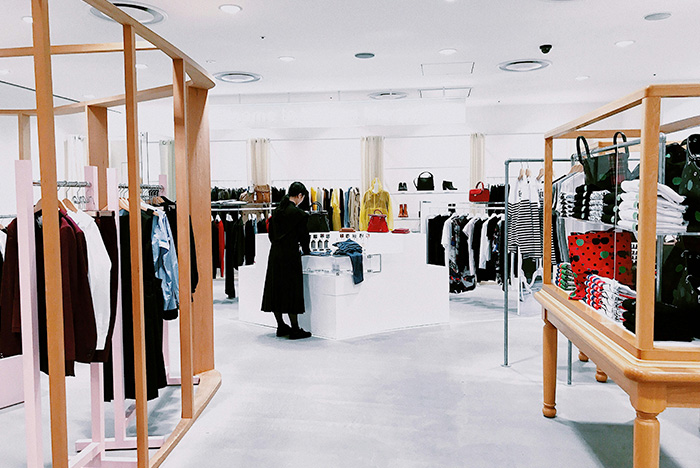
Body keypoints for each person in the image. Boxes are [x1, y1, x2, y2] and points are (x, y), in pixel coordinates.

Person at [261, 182, 312, 339]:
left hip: (275, 254)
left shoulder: (277, 211)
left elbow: (271, 234)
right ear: (300, 196)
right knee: (292, 291)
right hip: (290, 255)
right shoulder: (299, 214)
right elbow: (304, 238)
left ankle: (281, 325)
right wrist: (307, 251)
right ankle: (295, 328)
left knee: (276, 289)